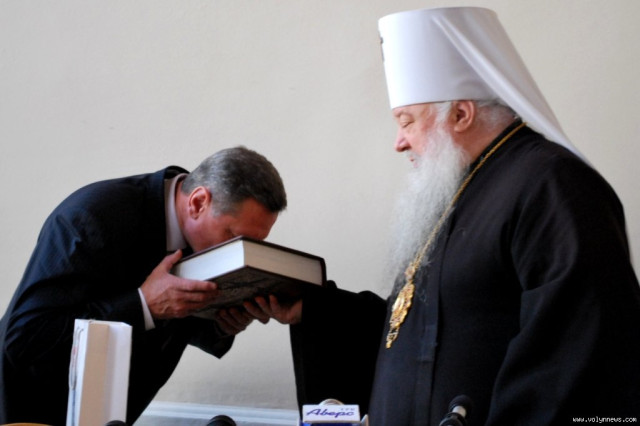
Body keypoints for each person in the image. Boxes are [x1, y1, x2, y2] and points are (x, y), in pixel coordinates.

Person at [247, 7, 640, 425]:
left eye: (407, 122)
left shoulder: (553, 186)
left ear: (461, 114)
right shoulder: (459, 190)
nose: (399, 142)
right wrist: (317, 311)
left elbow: (576, 354)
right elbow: (423, 331)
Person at [0, 146, 287, 425]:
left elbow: (172, 323)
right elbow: (25, 337)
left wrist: (222, 323)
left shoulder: (200, 237)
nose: (241, 252)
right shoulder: (91, 216)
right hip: (26, 409)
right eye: (234, 237)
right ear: (198, 202)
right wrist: (143, 305)